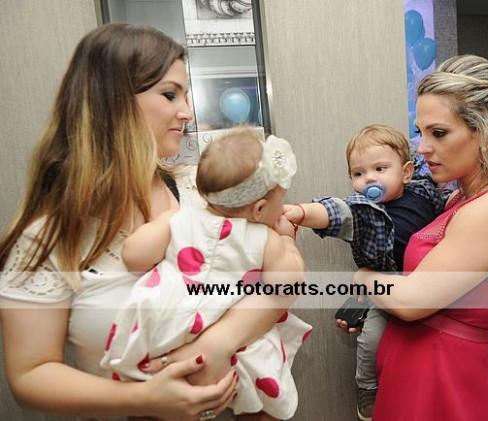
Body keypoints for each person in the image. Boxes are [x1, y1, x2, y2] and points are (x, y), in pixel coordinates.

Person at [0, 23, 293, 421]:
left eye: (186, 95)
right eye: (170, 94)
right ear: (112, 101)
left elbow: (283, 278)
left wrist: (215, 345)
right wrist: (144, 398)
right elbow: (30, 375)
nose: (187, 112)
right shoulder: (48, 238)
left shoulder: (201, 194)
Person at [349, 55, 488, 421]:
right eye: (421, 132)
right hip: (415, 363)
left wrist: (362, 277)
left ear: (485, 133)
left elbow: (412, 300)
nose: (422, 147)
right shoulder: (459, 198)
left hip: (445, 375)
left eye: (438, 133)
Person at [100, 127, 311, 421]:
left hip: (166, 329)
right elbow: (288, 285)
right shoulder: (265, 240)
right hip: (232, 343)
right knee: (263, 380)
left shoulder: (179, 217)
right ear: (260, 209)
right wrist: (287, 241)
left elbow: (134, 256)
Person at [284, 124, 447, 421]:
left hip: (427, 284)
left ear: (406, 172)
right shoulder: (362, 209)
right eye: (358, 173)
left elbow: (445, 208)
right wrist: (301, 212)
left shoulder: (423, 193)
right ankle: (367, 387)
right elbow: (335, 212)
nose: (369, 178)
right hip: (385, 286)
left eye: (380, 169)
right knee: (371, 338)